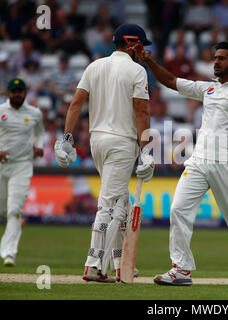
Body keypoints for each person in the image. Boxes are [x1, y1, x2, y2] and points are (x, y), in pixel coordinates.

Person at [134, 40, 228, 288]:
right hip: (198, 162)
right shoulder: (206, 89)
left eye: (221, 58)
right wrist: (147, 60)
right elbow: (171, 81)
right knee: (178, 209)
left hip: (227, 164)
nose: (216, 62)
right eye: (215, 58)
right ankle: (181, 269)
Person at [54, 24, 155, 283]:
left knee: (121, 202)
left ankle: (121, 263)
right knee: (110, 205)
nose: (143, 50)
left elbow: (76, 103)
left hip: (97, 141)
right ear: (132, 44)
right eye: (141, 45)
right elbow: (142, 113)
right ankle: (94, 265)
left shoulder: (94, 66)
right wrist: (146, 150)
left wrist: (67, 138)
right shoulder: (137, 71)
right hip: (122, 143)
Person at [0, 78, 45, 266]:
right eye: (14, 91)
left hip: (23, 165)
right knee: (3, 211)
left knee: (15, 210)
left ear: (25, 93)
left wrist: (38, 146)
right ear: (8, 93)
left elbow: (41, 134)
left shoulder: (34, 113)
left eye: (20, 91)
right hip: (2, 166)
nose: (17, 94)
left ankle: (9, 254)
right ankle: (15, 222)